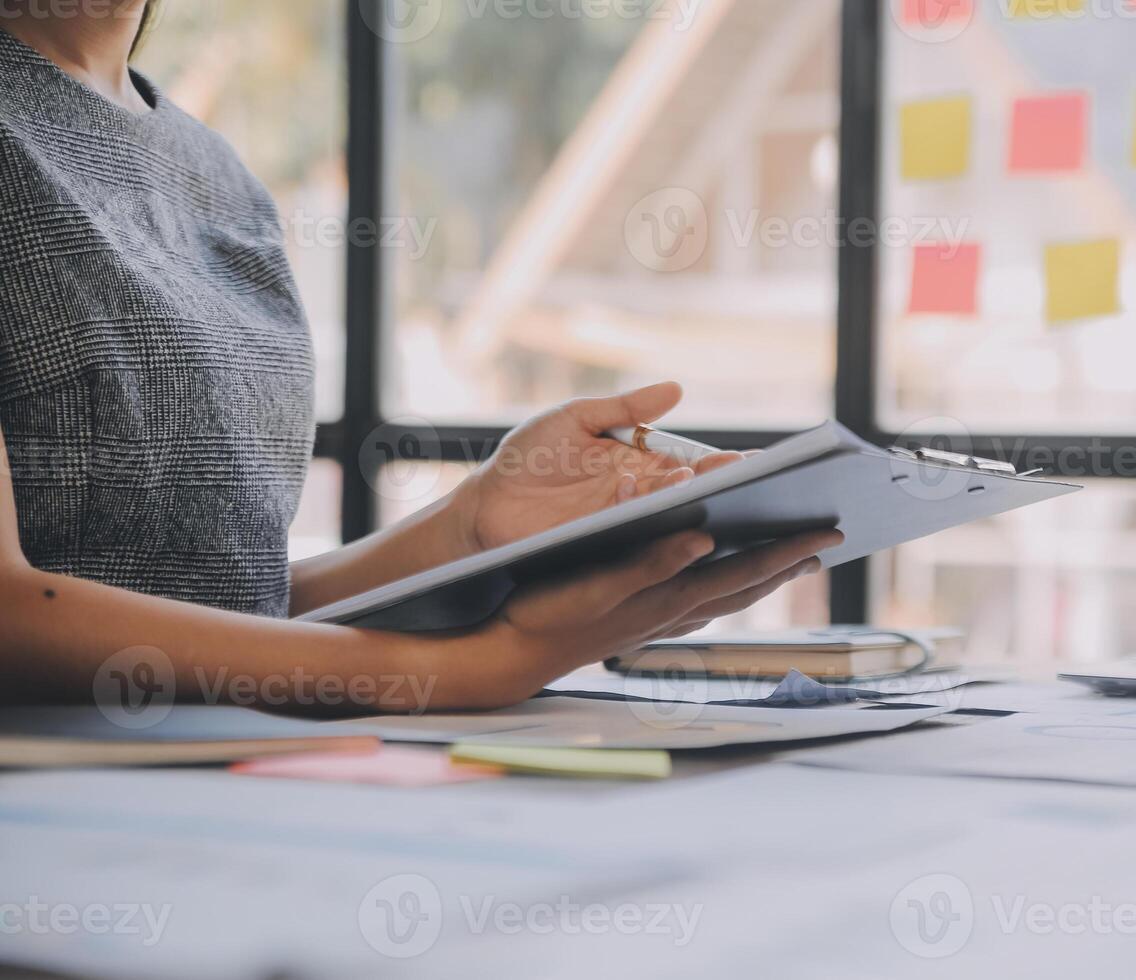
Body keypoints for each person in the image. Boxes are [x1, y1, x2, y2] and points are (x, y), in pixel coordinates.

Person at [0, 1, 838, 710]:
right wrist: (482, 667)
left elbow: (222, 608)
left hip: (227, 776)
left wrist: (470, 526)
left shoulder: (212, 171)